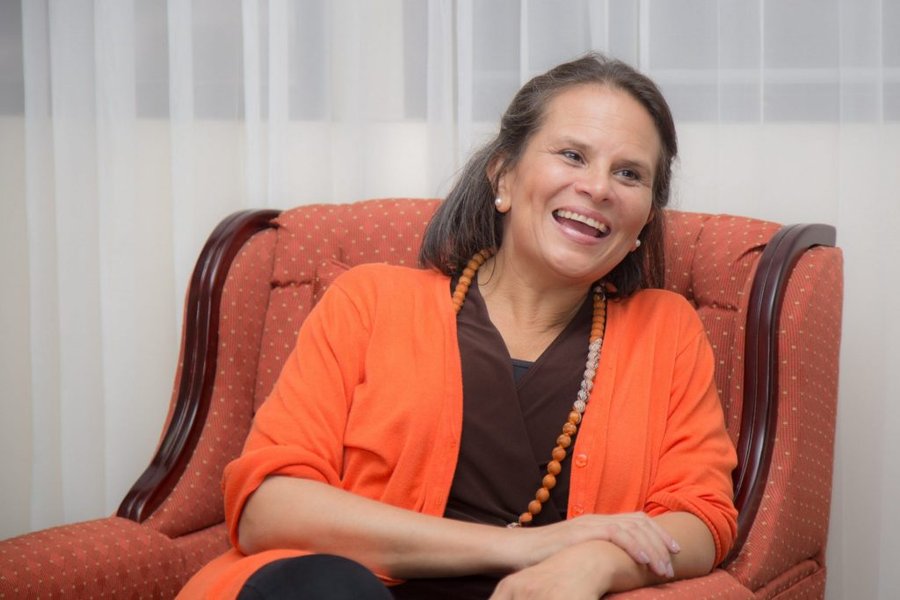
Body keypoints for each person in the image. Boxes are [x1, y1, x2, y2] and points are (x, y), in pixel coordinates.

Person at [178, 52, 737, 599]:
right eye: (572, 155)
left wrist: (595, 562)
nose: (599, 188)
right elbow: (268, 508)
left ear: (643, 222)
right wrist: (529, 546)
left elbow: (702, 519)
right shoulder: (367, 301)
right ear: (504, 175)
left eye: (629, 173)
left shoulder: (667, 331)